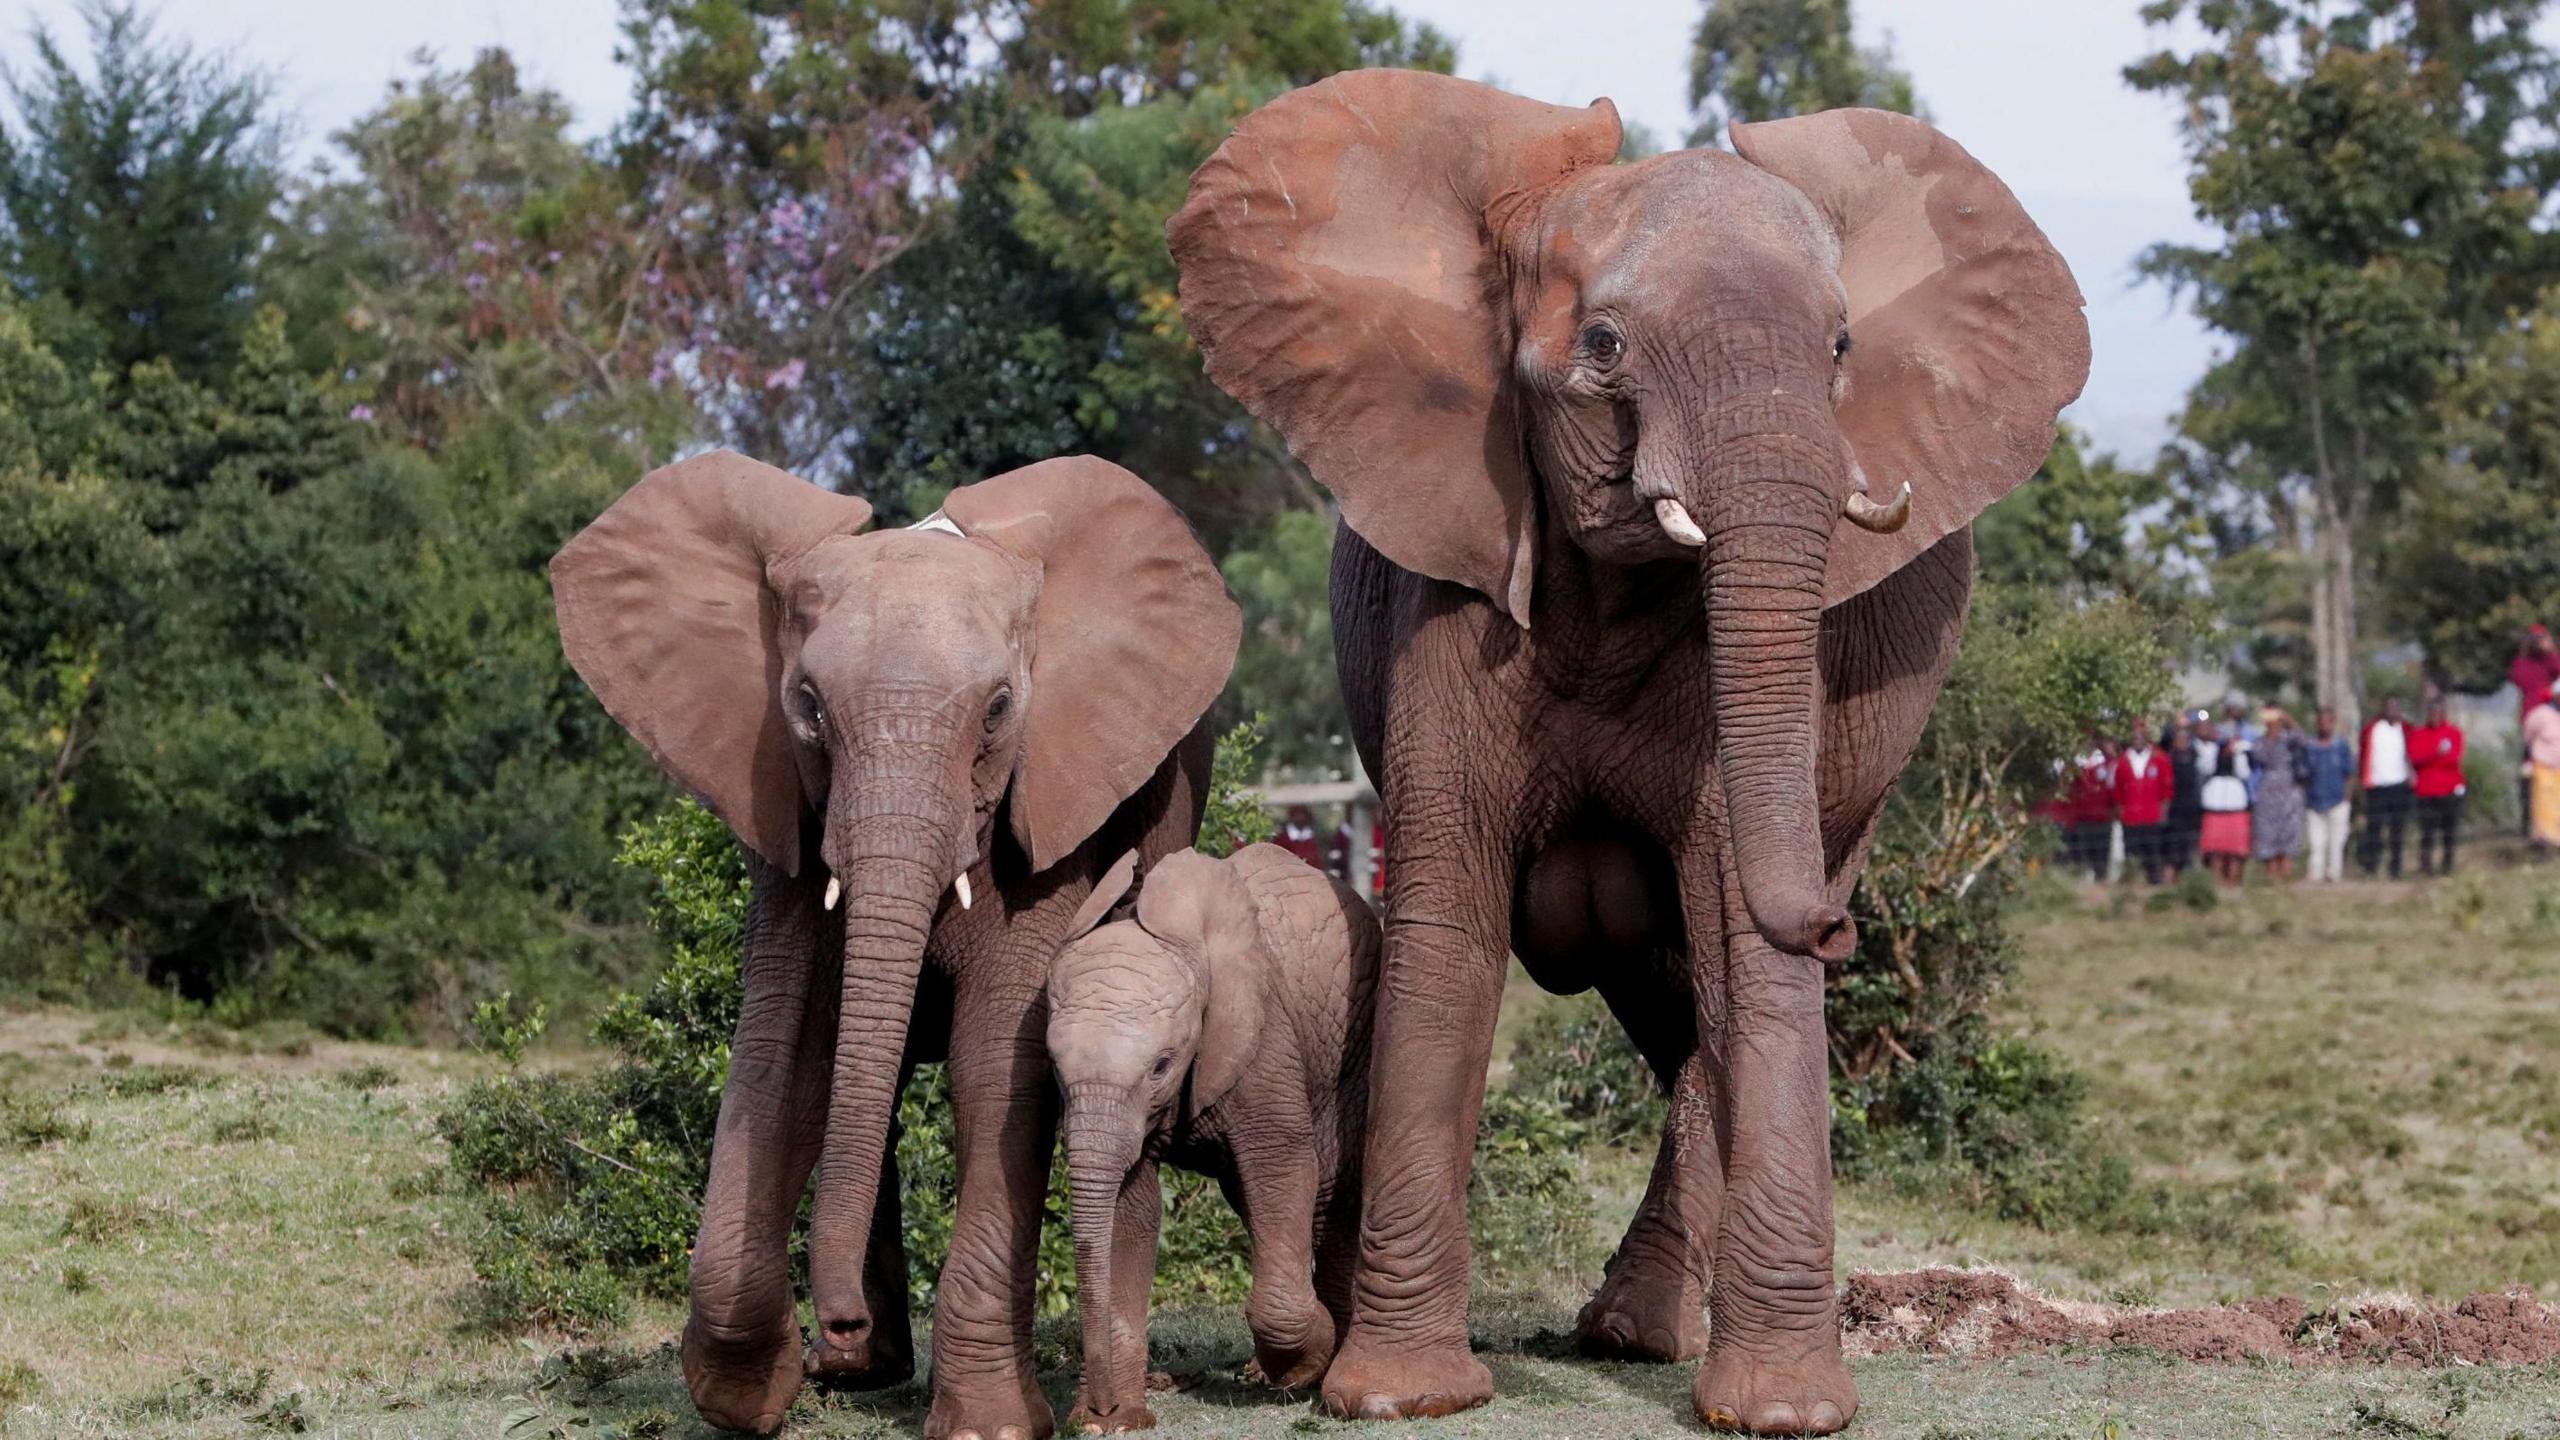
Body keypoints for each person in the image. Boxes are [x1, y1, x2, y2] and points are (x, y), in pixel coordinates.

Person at [2410, 697, 2467, 876]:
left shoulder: (2453, 733)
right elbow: (2416, 758)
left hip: (2449, 790)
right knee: (2427, 832)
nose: (2435, 716)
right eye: (2432, 712)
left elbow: (2453, 759)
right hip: (2426, 791)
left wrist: (2431, 758)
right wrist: (2437, 753)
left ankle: (2447, 866)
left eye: (2439, 712)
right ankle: (2426, 866)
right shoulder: (2418, 734)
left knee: (2449, 831)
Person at [2512, 626, 2560, 837]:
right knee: (2529, 777)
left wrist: (2551, 650)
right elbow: (2522, 681)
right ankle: (2529, 826)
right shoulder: (2523, 663)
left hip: (2554, 724)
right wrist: (2545, 693)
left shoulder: (2551, 660)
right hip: (2534, 727)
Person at [2359, 697, 2414, 878]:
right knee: (2374, 828)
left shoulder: (2405, 729)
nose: (2392, 710)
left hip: (2399, 785)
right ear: (2383, 708)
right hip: (2377, 786)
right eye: (2388, 706)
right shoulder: (2372, 729)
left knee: (2397, 830)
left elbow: (2413, 753)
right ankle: (2371, 867)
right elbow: (2363, 753)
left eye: (2395, 707)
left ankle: (2395, 868)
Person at [2251, 708, 2307, 881]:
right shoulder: (2259, 742)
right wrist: (2271, 737)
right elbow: (2259, 757)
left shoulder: (2288, 739)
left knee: (2288, 831)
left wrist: (2287, 718)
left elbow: (2302, 739)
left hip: (2288, 788)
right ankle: (2271, 876)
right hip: (2268, 789)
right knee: (2267, 832)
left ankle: (2286, 874)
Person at [2300, 708, 2356, 883]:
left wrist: (2347, 798)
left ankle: (2334, 874)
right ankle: (2315, 874)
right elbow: (2304, 774)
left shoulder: (2341, 746)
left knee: (2336, 842)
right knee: (2317, 843)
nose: (2324, 725)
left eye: (2328, 721)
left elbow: (2350, 774)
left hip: (2338, 799)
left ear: (2333, 722)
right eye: (2321, 721)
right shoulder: (2309, 747)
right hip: (2315, 801)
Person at [2113, 725, 2173, 884]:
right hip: (2130, 817)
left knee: (2152, 855)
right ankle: (2130, 887)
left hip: (2152, 816)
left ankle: (2155, 886)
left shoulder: (2160, 759)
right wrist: (2122, 814)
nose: (2137, 739)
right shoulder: (2122, 761)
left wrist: (2162, 813)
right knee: (2131, 856)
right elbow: (2118, 792)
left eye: (2140, 736)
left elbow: (2166, 791)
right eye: (2134, 737)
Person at [2198, 729, 2253, 885]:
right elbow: (2205, 768)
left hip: (2235, 805)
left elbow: (2244, 773)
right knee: (2215, 850)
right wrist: (2215, 749)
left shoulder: (2239, 755)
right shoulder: (2212, 752)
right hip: (2214, 805)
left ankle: (2233, 882)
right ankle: (2217, 883)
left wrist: (2237, 753)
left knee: (2236, 850)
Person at [2063, 733, 2115, 883]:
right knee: (2083, 854)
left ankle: (2101, 881)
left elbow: (2112, 788)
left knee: (2102, 854)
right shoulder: (2076, 763)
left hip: (2103, 817)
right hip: (2082, 817)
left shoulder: (2107, 761)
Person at [2162, 712, 2206, 877]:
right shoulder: (2169, 759)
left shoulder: (2193, 756)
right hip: (2175, 809)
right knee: (2172, 848)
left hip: (2191, 808)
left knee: (2189, 848)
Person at [2527, 693, 2560, 850]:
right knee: (2543, 805)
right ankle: (2545, 841)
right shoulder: (2541, 714)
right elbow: (2528, 735)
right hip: (2544, 767)